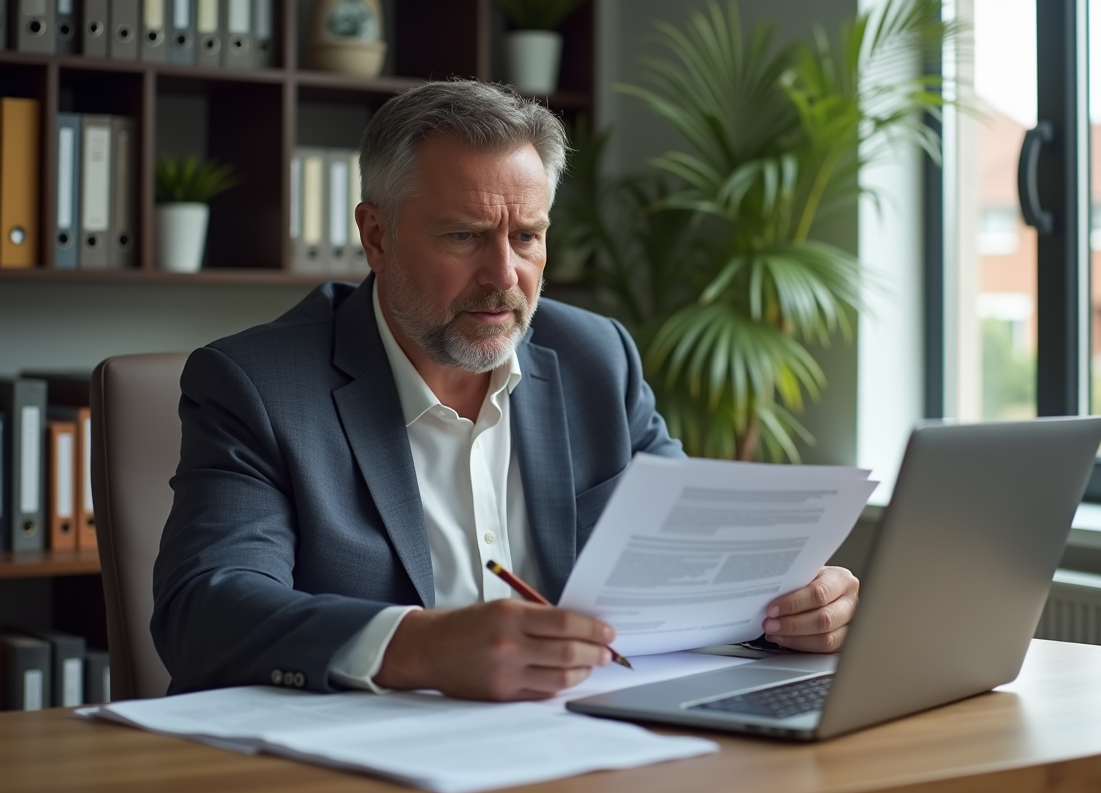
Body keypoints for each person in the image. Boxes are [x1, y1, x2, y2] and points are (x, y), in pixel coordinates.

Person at [152, 80, 859, 701]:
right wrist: (423, 648)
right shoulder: (258, 386)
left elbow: (688, 553)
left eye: (527, 236)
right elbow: (205, 612)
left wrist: (792, 607)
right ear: (377, 235)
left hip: (585, 747)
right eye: (463, 236)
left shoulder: (595, 359)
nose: (503, 275)